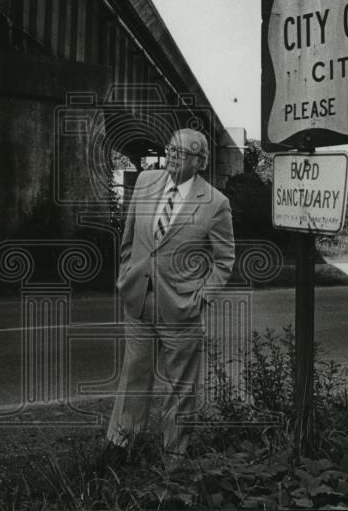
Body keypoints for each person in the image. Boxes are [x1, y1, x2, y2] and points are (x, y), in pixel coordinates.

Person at [105, 128, 235, 463]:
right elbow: (129, 238)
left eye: (183, 153)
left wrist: (200, 297)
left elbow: (224, 262)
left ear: (200, 161)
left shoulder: (216, 204)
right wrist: (125, 277)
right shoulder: (147, 181)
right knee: (133, 375)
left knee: (180, 388)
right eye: (171, 149)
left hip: (181, 308)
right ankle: (120, 446)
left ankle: (173, 459)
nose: (174, 156)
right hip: (138, 301)